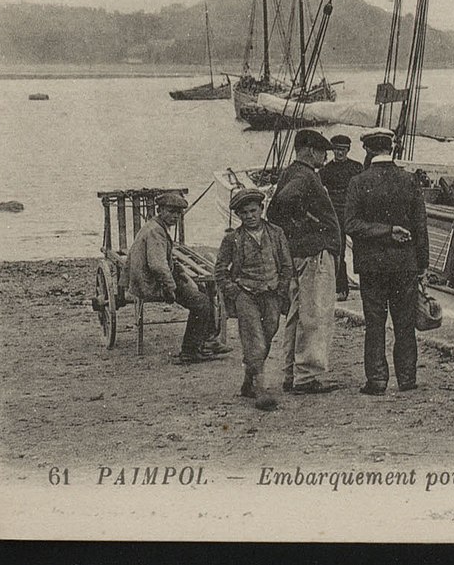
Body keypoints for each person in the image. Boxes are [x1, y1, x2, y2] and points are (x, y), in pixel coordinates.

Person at [345, 127, 430, 395]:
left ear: (368, 149)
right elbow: (421, 226)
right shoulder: (410, 180)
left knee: (375, 324)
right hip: (405, 264)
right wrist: (423, 265)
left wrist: (383, 231)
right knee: (404, 323)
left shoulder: (358, 182)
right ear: (391, 148)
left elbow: (351, 224)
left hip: (372, 266)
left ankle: (377, 380)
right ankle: (407, 378)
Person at [265, 129, 343, 394]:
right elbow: (286, 201)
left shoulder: (290, 172)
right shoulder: (305, 175)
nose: (325, 157)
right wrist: (310, 225)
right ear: (310, 150)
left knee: (297, 314)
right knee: (315, 313)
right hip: (314, 256)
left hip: (301, 254)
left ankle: (291, 372)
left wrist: (296, 228)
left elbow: (274, 211)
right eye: (322, 151)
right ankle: (307, 376)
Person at [214, 188, 293, 411]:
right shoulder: (232, 239)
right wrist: (234, 292)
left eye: (253, 211)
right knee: (254, 339)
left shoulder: (276, 233)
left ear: (261, 209)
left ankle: (248, 382)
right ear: (238, 215)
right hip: (246, 294)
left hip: (271, 293)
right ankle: (261, 390)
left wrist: (281, 289)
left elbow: (287, 265)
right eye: (244, 213)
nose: (249, 216)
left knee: (268, 333)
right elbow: (220, 270)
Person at [127, 192, 219, 364]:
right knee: (201, 303)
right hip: (151, 283)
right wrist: (171, 287)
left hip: (154, 277)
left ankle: (208, 341)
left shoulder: (157, 226)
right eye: (171, 211)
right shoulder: (156, 231)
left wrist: (182, 274)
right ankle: (190, 352)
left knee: (202, 290)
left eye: (178, 213)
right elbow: (158, 265)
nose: (175, 216)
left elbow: (166, 258)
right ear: (160, 210)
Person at [318, 134, 363, 301]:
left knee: (362, 250)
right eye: (337, 149)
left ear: (348, 150)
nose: (340, 153)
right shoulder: (325, 171)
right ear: (332, 150)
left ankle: (367, 286)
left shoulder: (356, 168)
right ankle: (341, 288)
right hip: (335, 215)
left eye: (343, 150)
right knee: (339, 251)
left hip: (354, 213)